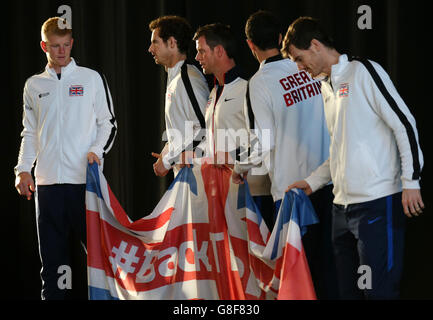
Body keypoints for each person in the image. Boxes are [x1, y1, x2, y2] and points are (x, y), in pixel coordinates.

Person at [283, 16, 424, 299]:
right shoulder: (325, 87)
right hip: (341, 208)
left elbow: (404, 124)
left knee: (378, 292)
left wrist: (411, 181)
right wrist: (312, 182)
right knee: (348, 292)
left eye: (299, 59)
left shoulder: (363, 72)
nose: (299, 68)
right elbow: (339, 148)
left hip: (376, 202)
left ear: (314, 45)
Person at [231, 10, 338, 299]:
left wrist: (240, 168)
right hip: (329, 184)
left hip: (293, 195)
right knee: (329, 272)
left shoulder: (259, 83)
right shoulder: (313, 67)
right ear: (280, 39)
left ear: (250, 45)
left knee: (298, 278)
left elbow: (262, 141)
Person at [14, 17, 117, 299]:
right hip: (47, 187)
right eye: (55, 46)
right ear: (43, 46)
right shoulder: (33, 85)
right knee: (52, 265)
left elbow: (108, 123)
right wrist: (23, 169)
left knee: (99, 261)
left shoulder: (90, 78)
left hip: (84, 183)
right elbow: (30, 132)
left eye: (66, 45)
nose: (61, 52)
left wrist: (96, 151)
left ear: (72, 43)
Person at [193, 23, 271, 198]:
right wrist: (189, 156)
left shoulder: (248, 88)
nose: (197, 57)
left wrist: (230, 156)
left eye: (202, 51)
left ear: (219, 51)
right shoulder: (214, 91)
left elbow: (264, 139)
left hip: (253, 193)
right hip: (222, 193)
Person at [148, 16, 210, 177]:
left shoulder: (188, 79)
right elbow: (184, 130)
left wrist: (168, 160)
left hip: (199, 178)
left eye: (155, 42)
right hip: (187, 177)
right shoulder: (176, 78)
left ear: (172, 43)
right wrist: (167, 151)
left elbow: (205, 129)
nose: (150, 49)